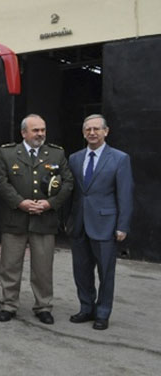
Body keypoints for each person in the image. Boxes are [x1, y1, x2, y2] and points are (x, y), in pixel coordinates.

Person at [0, 114, 73, 324]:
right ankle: (9, 305)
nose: (40, 134)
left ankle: (43, 306)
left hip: (44, 220)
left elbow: (68, 183)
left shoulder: (56, 154)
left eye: (42, 130)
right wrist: (20, 202)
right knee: (10, 265)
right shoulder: (8, 153)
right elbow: (1, 181)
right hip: (15, 218)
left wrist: (50, 204)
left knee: (43, 268)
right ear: (23, 133)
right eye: (35, 130)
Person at [68, 114, 133, 330]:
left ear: (106, 131)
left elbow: (125, 194)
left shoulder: (119, 158)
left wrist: (122, 225)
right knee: (81, 271)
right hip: (79, 225)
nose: (92, 133)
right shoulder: (75, 158)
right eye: (88, 129)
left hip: (106, 225)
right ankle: (86, 308)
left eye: (97, 129)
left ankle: (103, 313)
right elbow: (73, 193)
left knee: (106, 273)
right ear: (83, 132)